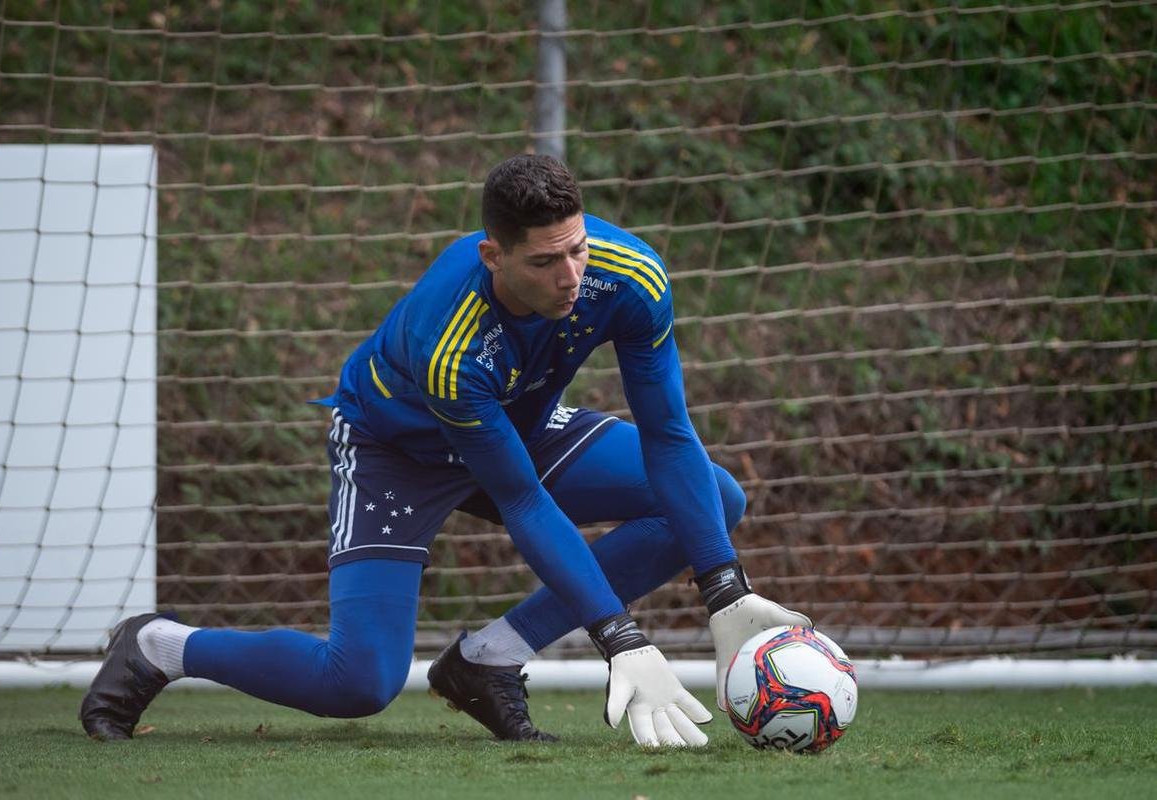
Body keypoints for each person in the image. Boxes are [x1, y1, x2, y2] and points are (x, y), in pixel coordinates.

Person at [79, 154, 809, 748]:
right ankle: (160, 646)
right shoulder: (449, 342)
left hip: (511, 424)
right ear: (493, 255)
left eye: (578, 249)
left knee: (713, 501)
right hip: (395, 450)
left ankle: (487, 658)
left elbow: (668, 436)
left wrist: (724, 589)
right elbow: (521, 498)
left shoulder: (631, 275)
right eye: (545, 262)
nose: (570, 277)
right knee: (357, 684)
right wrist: (620, 638)